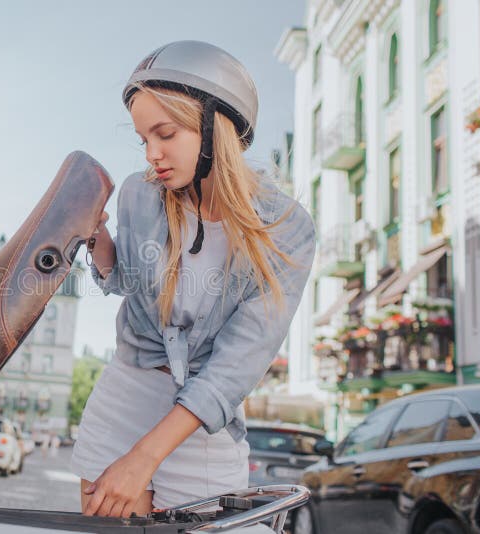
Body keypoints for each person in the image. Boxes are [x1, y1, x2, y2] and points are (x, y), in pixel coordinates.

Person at [70, 41, 316, 518]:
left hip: (201, 420)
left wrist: (143, 458)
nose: (152, 155)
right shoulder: (140, 196)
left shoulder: (287, 230)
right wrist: (96, 235)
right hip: (127, 392)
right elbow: (124, 281)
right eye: (144, 139)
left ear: (215, 126)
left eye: (165, 133)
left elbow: (237, 364)